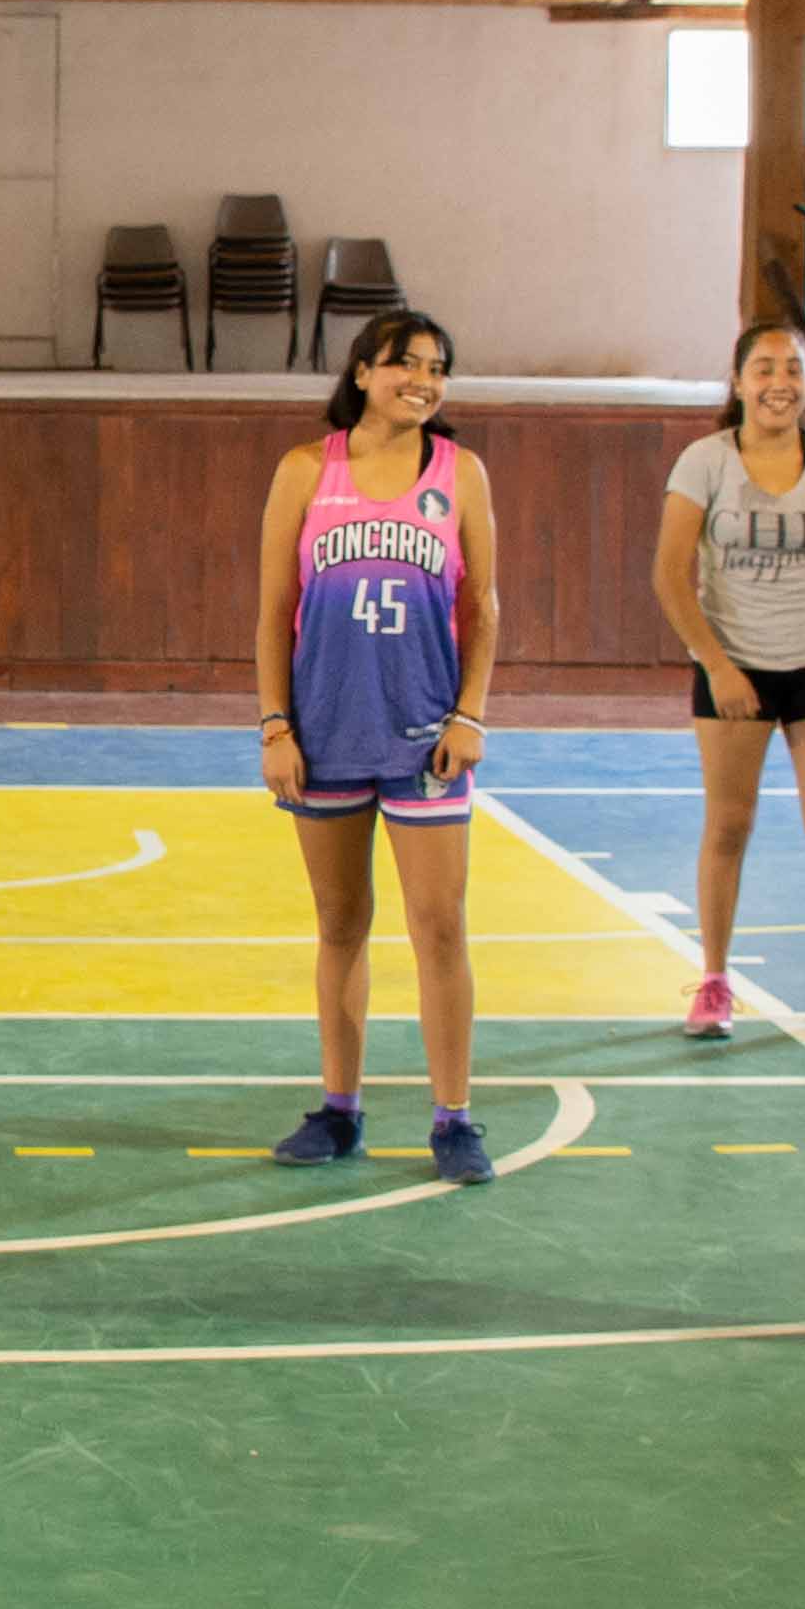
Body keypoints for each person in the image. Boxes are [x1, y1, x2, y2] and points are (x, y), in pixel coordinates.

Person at [258, 310, 508, 1181]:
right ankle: (339, 1109)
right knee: (341, 927)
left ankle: (453, 1119)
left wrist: (471, 713)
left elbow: (482, 610)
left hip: (425, 735)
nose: (425, 380)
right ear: (362, 370)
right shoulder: (303, 471)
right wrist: (274, 725)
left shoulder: (460, 472)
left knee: (440, 927)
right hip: (324, 731)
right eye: (407, 363)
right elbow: (270, 612)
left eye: (438, 367)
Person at [651, 314, 805, 1043]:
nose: (779, 382)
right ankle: (714, 982)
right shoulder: (705, 462)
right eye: (765, 368)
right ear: (739, 381)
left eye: (793, 369)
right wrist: (716, 665)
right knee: (728, 827)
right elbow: (669, 573)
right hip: (735, 672)